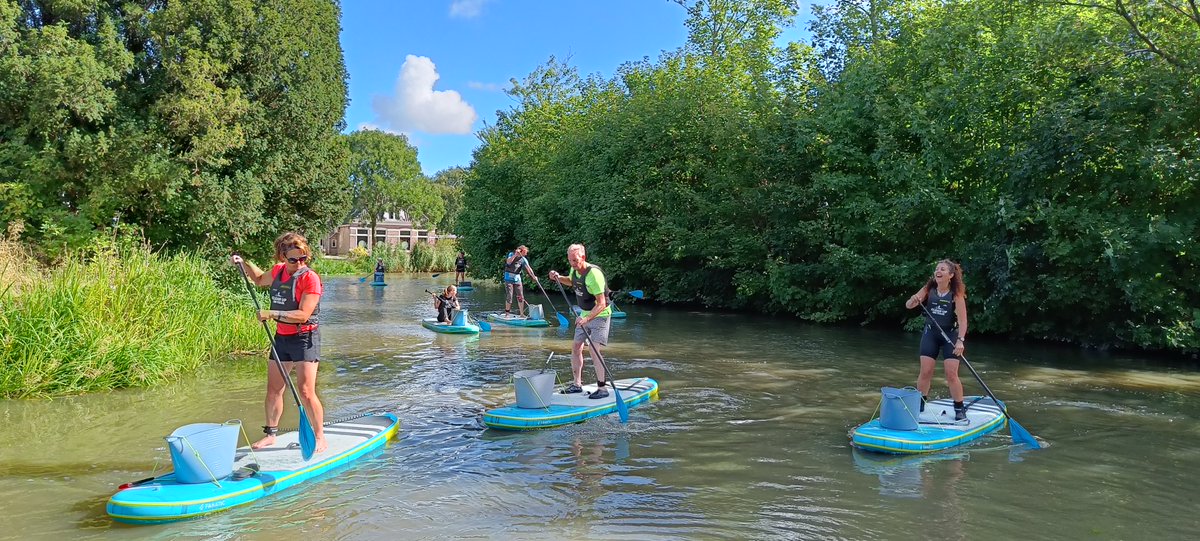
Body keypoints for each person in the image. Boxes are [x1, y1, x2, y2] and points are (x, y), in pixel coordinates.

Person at [230, 232, 327, 453]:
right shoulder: (277, 271)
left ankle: (320, 436)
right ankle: (271, 435)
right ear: (283, 257)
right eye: (293, 259)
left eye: (303, 258)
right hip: (282, 338)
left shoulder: (309, 278)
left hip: (305, 338)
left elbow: (303, 315)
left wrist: (271, 314)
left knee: (305, 391)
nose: (299, 263)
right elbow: (257, 279)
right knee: (274, 389)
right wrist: (243, 263)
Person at [904, 259, 969, 421]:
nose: (938, 271)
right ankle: (920, 402)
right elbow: (908, 305)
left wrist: (960, 341)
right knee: (925, 371)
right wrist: (913, 300)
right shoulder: (929, 288)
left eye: (943, 269)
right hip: (931, 334)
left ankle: (959, 407)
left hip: (951, 336)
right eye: (937, 269)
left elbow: (963, 321)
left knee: (951, 374)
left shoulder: (956, 294)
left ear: (951, 275)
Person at [548, 244, 612, 399]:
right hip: (583, 315)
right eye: (570, 260)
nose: (572, 264)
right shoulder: (574, 270)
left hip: (600, 315)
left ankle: (602, 388)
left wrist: (587, 319)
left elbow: (601, 303)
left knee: (594, 350)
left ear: (583, 257)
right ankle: (577, 385)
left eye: (575, 260)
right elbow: (572, 282)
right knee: (576, 347)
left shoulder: (594, 275)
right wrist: (558, 278)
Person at [502, 245, 539, 317]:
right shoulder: (511, 254)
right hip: (508, 278)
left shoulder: (523, 259)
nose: (526, 254)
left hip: (517, 278)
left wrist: (533, 276)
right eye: (525, 252)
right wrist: (516, 254)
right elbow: (508, 262)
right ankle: (507, 314)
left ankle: (522, 314)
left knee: (520, 296)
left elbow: (529, 268)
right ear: (520, 251)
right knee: (510, 296)